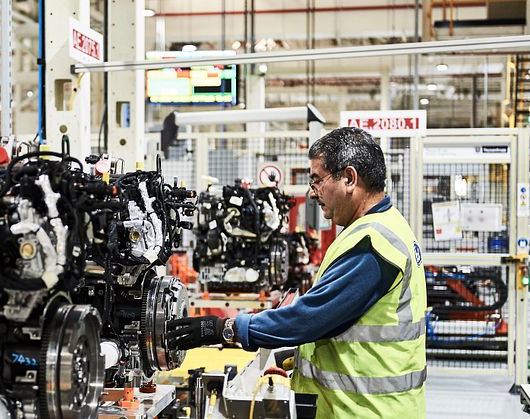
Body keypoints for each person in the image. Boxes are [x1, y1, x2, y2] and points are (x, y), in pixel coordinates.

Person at [166, 127, 427, 418]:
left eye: (317, 181)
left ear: (349, 179)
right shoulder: (390, 226)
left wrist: (225, 329)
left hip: (364, 410)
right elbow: (345, 326)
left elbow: (310, 317)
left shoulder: (371, 244)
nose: (312, 193)